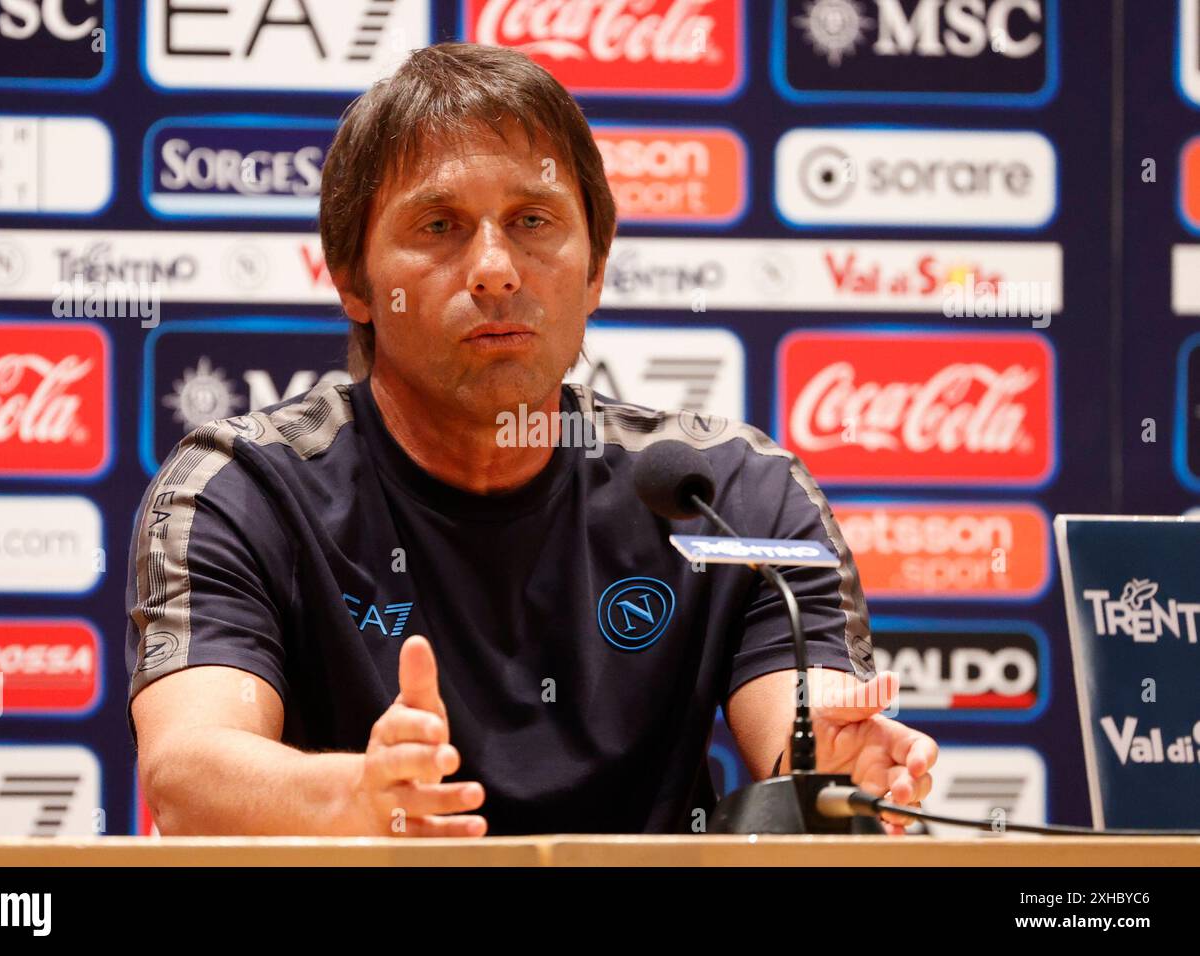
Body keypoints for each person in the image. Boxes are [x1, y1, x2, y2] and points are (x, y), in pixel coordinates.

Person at [125, 42, 936, 837]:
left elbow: (812, 744)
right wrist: (356, 798)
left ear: (595, 271)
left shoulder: (732, 496)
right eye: (438, 225)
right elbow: (188, 775)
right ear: (353, 280)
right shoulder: (247, 487)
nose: (494, 270)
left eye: (533, 220)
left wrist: (836, 778)